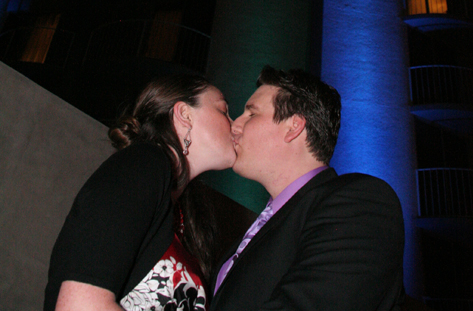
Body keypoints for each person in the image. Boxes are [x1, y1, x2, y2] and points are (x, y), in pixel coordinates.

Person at [210, 65, 405, 311]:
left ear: (294, 127)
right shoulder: (261, 228)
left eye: (251, 114)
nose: (235, 125)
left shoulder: (361, 203)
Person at [44, 73, 236, 311]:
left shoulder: (182, 213)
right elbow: (79, 305)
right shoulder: (144, 163)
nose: (235, 124)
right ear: (185, 115)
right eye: (223, 110)